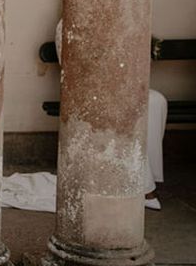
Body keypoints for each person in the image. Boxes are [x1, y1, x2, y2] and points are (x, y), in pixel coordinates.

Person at [55, 19, 166, 209]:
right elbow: (77, 66)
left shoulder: (120, 16)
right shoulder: (69, 22)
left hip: (121, 86)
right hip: (91, 92)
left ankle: (152, 174)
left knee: (156, 100)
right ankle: (144, 188)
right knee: (127, 109)